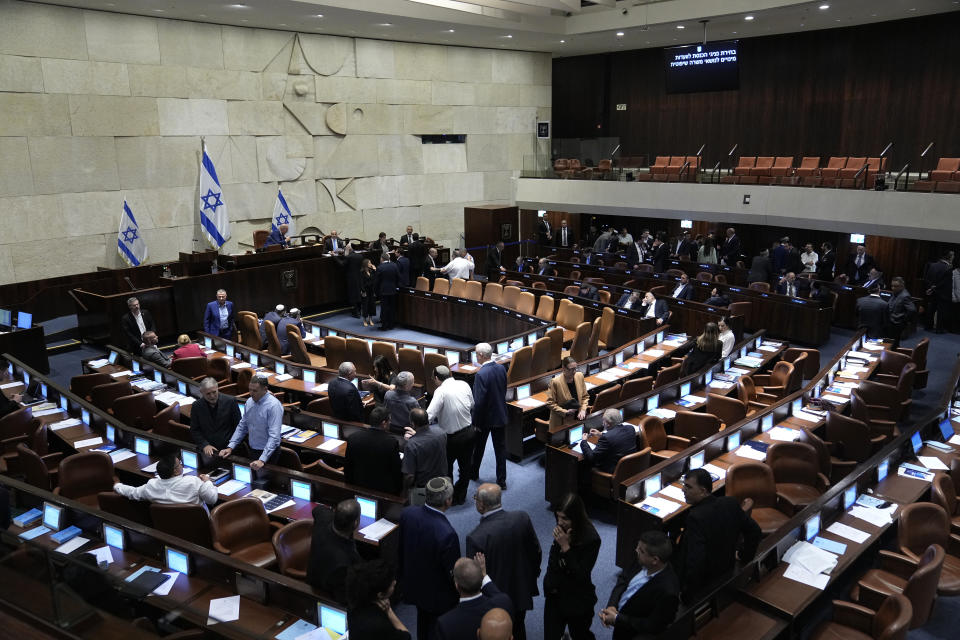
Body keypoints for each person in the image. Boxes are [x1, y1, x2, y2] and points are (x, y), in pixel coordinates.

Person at [467, 483, 541, 640]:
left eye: (475, 499)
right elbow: (536, 553)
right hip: (521, 592)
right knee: (519, 629)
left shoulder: (476, 538)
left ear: (481, 505)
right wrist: (530, 577)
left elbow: (473, 579)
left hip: (493, 601)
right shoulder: (522, 518)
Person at [676, 468, 761, 599]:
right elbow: (755, 531)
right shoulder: (730, 503)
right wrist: (745, 556)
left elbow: (696, 561)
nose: (683, 490)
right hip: (728, 568)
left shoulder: (695, 517)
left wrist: (687, 594)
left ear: (703, 491)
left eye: (688, 487)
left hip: (707, 582)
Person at [398, 476, 460, 640]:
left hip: (414, 586)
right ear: (448, 501)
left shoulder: (408, 514)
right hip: (438, 597)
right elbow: (453, 572)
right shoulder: (447, 534)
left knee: (422, 625)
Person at [598, 530, 680, 639]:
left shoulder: (668, 592)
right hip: (620, 620)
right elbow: (623, 579)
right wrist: (612, 605)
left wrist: (617, 619)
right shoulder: (642, 560)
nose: (636, 550)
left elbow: (652, 625)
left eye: (641, 550)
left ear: (655, 560)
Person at [543, 493, 601, 640]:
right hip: (555, 595)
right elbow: (553, 560)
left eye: (565, 518)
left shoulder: (591, 539)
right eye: (558, 517)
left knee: (580, 636)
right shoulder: (561, 528)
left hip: (578, 600)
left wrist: (565, 547)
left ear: (576, 517)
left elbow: (580, 575)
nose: (560, 522)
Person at [428, 365, 476, 505]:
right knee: (465, 466)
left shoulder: (440, 391)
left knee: (446, 467)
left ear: (437, 378)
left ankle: (449, 497)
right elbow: (472, 404)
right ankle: (461, 496)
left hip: (452, 438)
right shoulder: (464, 384)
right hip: (469, 432)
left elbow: (430, 414)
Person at [435, 556, 514, 640]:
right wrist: (483, 574)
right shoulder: (504, 603)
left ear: (457, 586)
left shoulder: (445, 623)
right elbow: (497, 594)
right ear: (481, 580)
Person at [218, 374, 282, 469]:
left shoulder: (274, 406)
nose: (251, 393)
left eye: (255, 391)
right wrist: (230, 447)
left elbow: (274, 436)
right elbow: (242, 426)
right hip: (253, 449)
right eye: (250, 389)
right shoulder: (249, 402)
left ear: (265, 389)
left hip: (269, 453)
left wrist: (262, 459)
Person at [470, 343, 509, 490]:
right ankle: (502, 481)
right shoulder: (501, 368)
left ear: (480, 355)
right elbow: (503, 389)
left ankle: (473, 473)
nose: (475, 356)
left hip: (485, 419)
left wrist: (475, 422)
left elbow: (479, 402)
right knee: (500, 450)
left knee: (478, 447)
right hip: (500, 415)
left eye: (476, 353)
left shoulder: (480, 374)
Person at [307, 499, 362, 603]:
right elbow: (343, 598)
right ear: (356, 523)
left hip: (315, 573)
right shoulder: (343, 561)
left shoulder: (323, 519)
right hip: (322, 591)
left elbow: (317, 509)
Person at [113, 453, 217, 506]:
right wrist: (207, 481)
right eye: (179, 463)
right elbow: (212, 499)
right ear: (175, 471)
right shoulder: (192, 481)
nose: (181, 465)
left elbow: (133, 493)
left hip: (168, 529)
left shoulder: (151, 486)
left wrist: (117, 485)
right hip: (197, 526)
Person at [346, 559, 411, 640]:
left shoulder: (354, 603)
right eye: (391, 584)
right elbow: (407, 637)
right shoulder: (379, 625)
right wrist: (389, 611)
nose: (395, 582)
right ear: (380, 594)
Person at [344, 406, 403, 495]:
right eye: (389, 420)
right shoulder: (391, 443)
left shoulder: (353, 437)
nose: (390, 423)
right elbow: (396, 470)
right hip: (382, 489)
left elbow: (348, 465)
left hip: (358, 484)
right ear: (384, 423)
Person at [190, 377, 241, 464]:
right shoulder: (196, 406)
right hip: (208, 453)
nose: (212, 396)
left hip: (229, 450)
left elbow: (239, 428)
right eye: (208, 394)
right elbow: (195, 430)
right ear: (202, 393)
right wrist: (204, 445)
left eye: (214, 392)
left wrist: (230, 447)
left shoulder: (230, 401)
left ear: (217, 389)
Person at [402, 408, 447, 503]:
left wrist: (405, 490)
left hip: (423, 489)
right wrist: (417, 435)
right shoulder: (442, 433)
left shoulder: (412, 445)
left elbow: (409, 476)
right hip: (441, 482)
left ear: (413, 424)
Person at [579, 409, 637, 473]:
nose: (603, 423)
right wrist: (601, 434)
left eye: (603, 421)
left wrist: (584, 441)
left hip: (614, 471)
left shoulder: (606, 438)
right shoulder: (630, 428)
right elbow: (616, 437)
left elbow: (591, 458)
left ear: (608, 423)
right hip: (630, 466)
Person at [545, 357, 589, 428]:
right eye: (571, 369)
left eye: (575, 368)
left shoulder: (579, 376)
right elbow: (550, 403)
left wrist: (583, 409)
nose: (574, 371)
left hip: (578, 417)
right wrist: (565, 412)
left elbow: (585, 396)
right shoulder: (555, 382)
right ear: (563, 368)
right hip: (561, 421)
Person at [924, 251, 954, 333]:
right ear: (949, 257)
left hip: (932, 292)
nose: (953, 258)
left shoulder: (932, 265)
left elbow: (927, 278)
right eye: (952, 256)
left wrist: (930, 288)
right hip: (943, 293)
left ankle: (928, 326)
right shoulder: (948, 268)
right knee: (941, 312)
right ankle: (939, 329)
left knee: (931, 310)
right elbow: (945, 283)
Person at [887, 276, 916, 348]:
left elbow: (912, 310)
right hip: (892, 321)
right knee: (891, 342)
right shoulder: (896, 293)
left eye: (896, 286)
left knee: (894, 343)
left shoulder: (905, 296)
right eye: (892, 286)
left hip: (897, 323)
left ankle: (894, 356)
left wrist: (903, 320)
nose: (893, 288)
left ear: (902, 286)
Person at [376, 253, 401, 330]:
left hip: (383, 291)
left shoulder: (380, 267)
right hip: (393, 290)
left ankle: (385, 326)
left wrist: (376, 291)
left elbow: (377, 281)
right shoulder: (394, 265)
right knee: (392, 308)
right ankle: (391, 325)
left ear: (382, 259)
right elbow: (398, 277)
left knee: (384, 308)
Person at [339, 242, 364, 318]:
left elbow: (342, 264)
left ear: (349, 249)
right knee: (359, 293)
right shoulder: (360, 256)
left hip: (351, 278)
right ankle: (360, 310)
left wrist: (334, 257)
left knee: (353, 295)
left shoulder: (349, 257)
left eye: (346, 248)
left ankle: (356, 313)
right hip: (359, 276)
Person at [358, 256, 377, 326]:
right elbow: (361, 283)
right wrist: (363, 291)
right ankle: (365, 320)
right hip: (365, 291)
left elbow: (375, 280)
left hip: (372, 291)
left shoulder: (371, 271)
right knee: (365, 306)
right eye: (369, 263)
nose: (371, 264)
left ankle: (370, 319)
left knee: (372, 305)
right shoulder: (362, 272)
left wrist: (375, 270)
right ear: (366, 264)